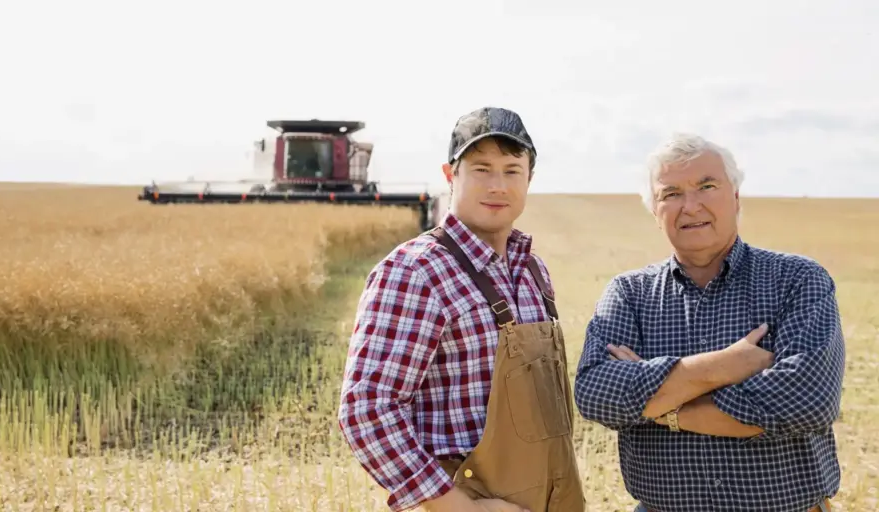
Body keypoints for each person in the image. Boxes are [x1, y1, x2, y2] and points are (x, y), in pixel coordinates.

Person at [573, 133, 845, 512]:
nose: (691, 205)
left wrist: (664, 408)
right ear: (655, 211)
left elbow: (804, 402)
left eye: (707, 186)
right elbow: (595, 395)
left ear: (735, 198)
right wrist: (724, 366)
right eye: (671, 194)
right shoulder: (629, 293)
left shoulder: (797, 280)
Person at [337, 106, 586, 512]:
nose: (497, 186)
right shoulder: (416, 271)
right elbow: (368, 408)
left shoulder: (532, 271)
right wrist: (461, 508)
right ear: (451, 175)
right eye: (481, 169)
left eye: (511, 170)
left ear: (530, 178)